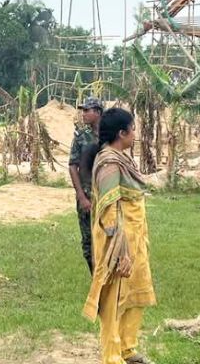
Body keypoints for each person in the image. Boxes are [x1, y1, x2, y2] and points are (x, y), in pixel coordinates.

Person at [81, 108, 156, 364]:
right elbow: (108, 210)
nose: (135, 134)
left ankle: (128, 348)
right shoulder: (110, 163)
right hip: (119, 244)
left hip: (135, 240)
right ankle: (112, 356)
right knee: (115, 298)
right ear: (122, 133)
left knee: (135, 294)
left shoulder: (122, 158)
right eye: (132, 129)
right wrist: (119, 249)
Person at [69, 97, 102, 274]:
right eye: (82, 110)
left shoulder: (110, 136)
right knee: (88, 242)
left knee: (109, 238)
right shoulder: (81, 137)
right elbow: (72, 165)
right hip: (87, 197)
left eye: (86, 110)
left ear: (97, 112)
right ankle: (95, 279)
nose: (83, 114)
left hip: (107, 195)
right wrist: (81, 196)